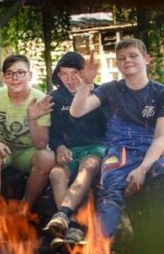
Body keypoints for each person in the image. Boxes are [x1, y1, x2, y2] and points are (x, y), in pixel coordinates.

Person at [70, 39, 164, 239]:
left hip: (152, 150)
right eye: (121, 58)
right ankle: (99, 251)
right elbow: (77, 111)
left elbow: (160, 138)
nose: (127, 60)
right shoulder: (110, 89)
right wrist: (86, 83)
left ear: (147, 59)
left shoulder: (160, 93)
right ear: (117, 65)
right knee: (111, 192)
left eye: (133, 55)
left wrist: (142, 169)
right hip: (119, 152)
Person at [0, 54, 55, 253]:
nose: (15, 78)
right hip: (3, 147)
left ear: (29, 74)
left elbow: (41, 144)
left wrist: (32, 119)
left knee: (47, 158)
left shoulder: (40, 99)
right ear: (3, 77)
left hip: (28, 151)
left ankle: (23, 211)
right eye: (10, 74)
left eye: (21, 73)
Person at [43, 52, 107, 254]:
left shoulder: (99, 94)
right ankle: (69, 227)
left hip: (96, 148)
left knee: (88, 166)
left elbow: (109, 130)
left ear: (84, 73)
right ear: (58, 76)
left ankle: (65, 217)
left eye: (74, 73)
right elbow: (52, 134)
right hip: (69, 151)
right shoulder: (54, 98)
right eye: (63, 74)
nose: (69, 79)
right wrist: (58, 147)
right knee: (56, 174)